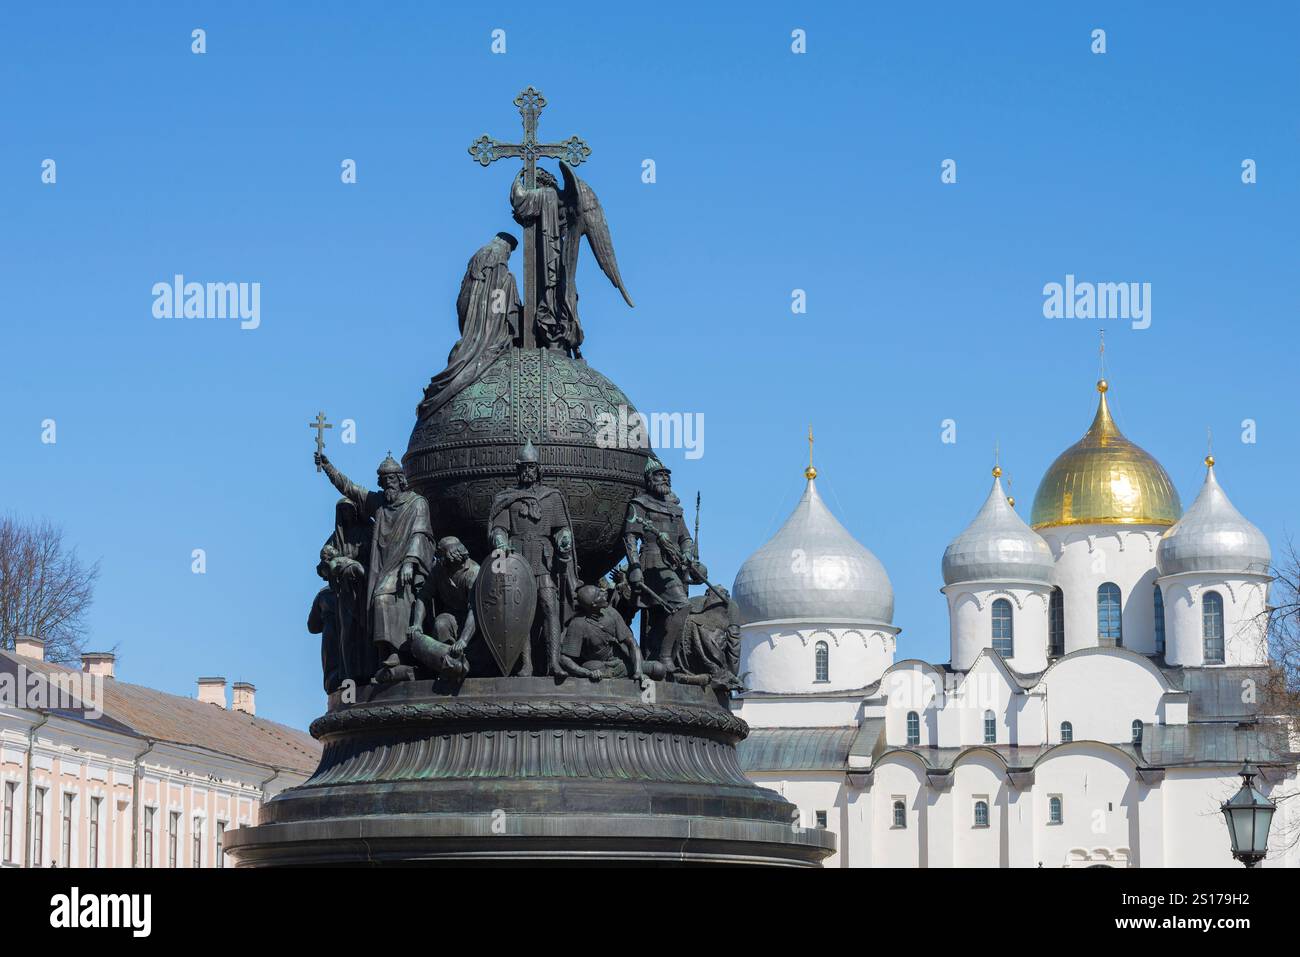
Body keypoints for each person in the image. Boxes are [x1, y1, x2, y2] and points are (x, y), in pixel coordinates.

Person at [316, 451, 435, 682]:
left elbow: (420, 534)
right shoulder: (379, 504)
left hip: (406, 564)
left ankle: (394, 654)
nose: (387, 485)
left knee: (382, 598)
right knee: (376, 599)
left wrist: (410, 562)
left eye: (391, 479)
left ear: (400, 480)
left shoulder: (417, 503)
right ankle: (385, 657)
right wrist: (329, 467)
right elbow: (349, 488)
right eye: (383, 481)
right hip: (383, 567)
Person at [487, 441, 578, 675]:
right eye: (524, 467)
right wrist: (500, 541)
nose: (528, 471)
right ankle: (526, 663)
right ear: (518, 470)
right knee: (521, 610)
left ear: (538, 469)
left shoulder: (552, 497)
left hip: (543, 557)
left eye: (532, 467)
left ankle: (554, 662)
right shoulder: (507, 498)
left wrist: (564, 538)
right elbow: (499, 528)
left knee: (549, 607)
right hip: (517, 557)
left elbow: (561, 527)